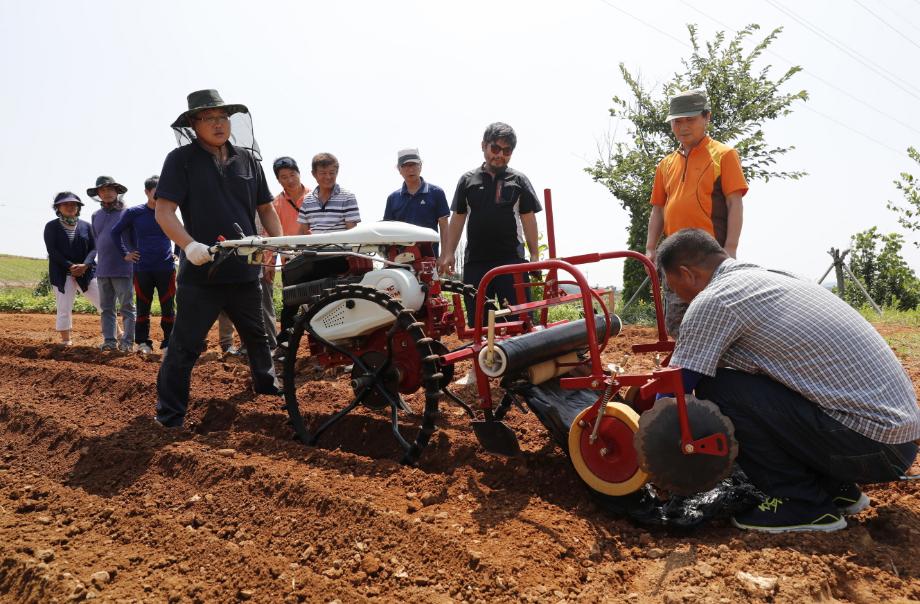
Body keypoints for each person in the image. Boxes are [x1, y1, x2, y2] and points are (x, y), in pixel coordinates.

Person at [657, 228, 920, 533]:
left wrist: (647, 441)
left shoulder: (716, 299)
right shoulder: (772, 278)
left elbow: (676, 387)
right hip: (896, 440)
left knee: (718, 389)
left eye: (674, 288)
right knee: (764, 383)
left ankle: (801, 502)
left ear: (687, 274)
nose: (678, 297)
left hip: (871, 447)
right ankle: (835, 489)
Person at [153, 89, 283, 429]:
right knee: (185, 347)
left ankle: (268, 395)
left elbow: (266, 208)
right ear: (193, 124)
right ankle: (169, 416)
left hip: (245, 271)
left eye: (223, 117)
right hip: (203, 273)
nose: (218, 124)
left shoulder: (248, 160)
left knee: (258, 339)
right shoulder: (180, 160)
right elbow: (164, 212)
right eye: (209, 118)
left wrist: (277, 244)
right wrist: (189, 245)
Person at [644, 90, 749, 336]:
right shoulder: (665, 165)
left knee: (714, 321)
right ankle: (686, 360)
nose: (683, 127)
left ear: (706, 117)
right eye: (677, 121)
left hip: (710, 257)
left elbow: (734, 204)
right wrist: (650, 248)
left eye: (690, 119)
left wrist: (731, 248)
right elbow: (658, 209)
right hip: (674, 256)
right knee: (678, 324)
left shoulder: (724, 155)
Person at [437, 122, 541, 327]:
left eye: (506, 151)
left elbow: (528, 219)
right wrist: (448, 253)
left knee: (521, 322)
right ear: (483, 146)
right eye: (495, 148)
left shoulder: (519, 180)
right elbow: (458, 218)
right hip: (476, 263)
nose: (500, 155)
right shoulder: (467, 180)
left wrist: (535, 255)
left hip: (512, 261)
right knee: (480, 325)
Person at [110, 175, 177, 354]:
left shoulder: (169, 211)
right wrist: (125, 254)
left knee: (168, 306)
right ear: (147, 192)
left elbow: (180, 230)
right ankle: (143, 343)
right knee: (143, 306)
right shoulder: (134, 212)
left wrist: (177, 253)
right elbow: (115, 232)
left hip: (166, 267)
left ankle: (169, 342)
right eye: (156, 191)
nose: (160, 195)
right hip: (142, 268)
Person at [43, 192, 101, 345]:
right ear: (58, 207)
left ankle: (117, 335)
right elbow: (52, 251)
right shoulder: (51, 226)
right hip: (62, 273)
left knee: (103, 303)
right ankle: (66, 341)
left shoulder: (86, 226)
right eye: (65, 204)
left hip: (86, 272)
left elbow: (94, 248)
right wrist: (70, 266)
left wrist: (85, 265)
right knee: (64, 307)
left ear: (78, 208)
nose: (70, 207)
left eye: (74, 204)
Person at [88, 175, 136, 351]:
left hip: (123, 268)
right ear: (98, 194)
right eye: (102, 190)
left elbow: (136, 239)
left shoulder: (128, 213)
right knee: (106, 308)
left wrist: (133, 256)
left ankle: (127, 343)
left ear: (117, 191)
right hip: (103, 269)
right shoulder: (96, 215)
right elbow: (96, 240)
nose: (106, 193)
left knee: (127, 307)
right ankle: (109, 341)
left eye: (110, 189)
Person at [271, 156, 311, 346]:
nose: (290, 180)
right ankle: (286, 346)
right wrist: (270, 264)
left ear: (299, 173)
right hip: (291, 263)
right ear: (278, 180)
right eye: (284, 177)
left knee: (320, 301)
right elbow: (271, 236)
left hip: (316, 258)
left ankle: (321, 344)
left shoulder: (314, 196)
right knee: (290, 304)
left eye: (292, 174)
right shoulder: (275, 204)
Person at [383, 147, 449, 256]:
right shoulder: (392, 198)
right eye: (405, 166)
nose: (410, 169)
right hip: (399, 259)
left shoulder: (436, 193)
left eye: (413, 165)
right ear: (399, 169)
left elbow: (444, 226)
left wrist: (445, 255)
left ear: (420, 166)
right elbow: (388, 231)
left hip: (429, 258)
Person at [296, 153, 360, 234]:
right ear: (314, 174)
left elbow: (352, 233)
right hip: (314, 243)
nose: (328, 177)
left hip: (340, 243)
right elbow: (302, 233)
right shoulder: (307, 200)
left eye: (331, 173)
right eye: (323, 173)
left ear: (337, 172)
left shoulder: (348, 197)